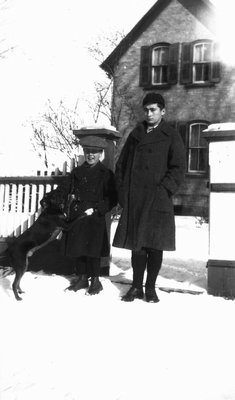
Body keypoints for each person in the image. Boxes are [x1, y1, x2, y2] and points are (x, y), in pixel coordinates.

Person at [113, 93, 186, 303]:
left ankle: (150, 288)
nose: (149, 113)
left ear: (163, 111)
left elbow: (179, 167)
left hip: (158, 198)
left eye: (153, 109)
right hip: (135, 198)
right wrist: (122, 192)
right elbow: (121, 166)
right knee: (138, 245)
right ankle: (136, 287)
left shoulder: (171, 135)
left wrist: (164, 190)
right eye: (146, 109)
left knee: (155, 245)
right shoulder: (136, 134)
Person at [44, 136, 117, 295]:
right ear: (84, 153)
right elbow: (64, 189)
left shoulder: (106, 174)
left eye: (95, 152)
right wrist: (51, 198)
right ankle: (82, 278)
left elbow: (112, 198)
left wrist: (98, 209)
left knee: (93, 250)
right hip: (78, 215)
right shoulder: (77, 172)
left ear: (100, 154)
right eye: (88, 152)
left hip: (95, 217)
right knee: (78, 248)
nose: (91, 155)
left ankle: (96, 282)